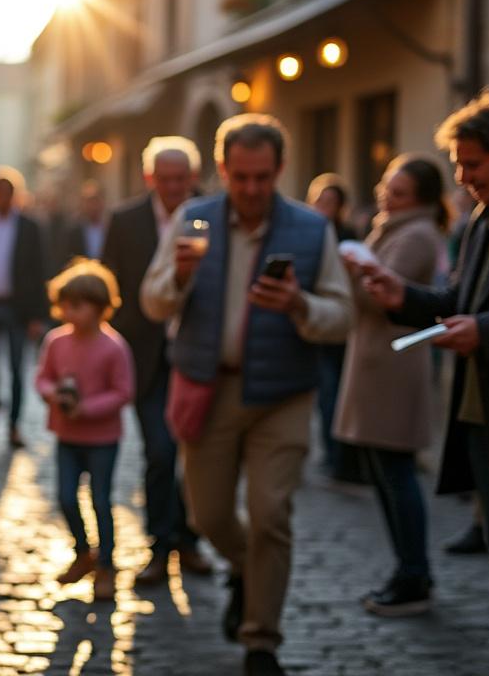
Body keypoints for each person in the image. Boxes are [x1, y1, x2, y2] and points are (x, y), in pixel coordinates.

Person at [141, 114, 352, 676]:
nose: (253, 189)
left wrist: (301, 306)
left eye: (263, 177)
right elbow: (152, 303)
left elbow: (342, 317)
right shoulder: (195, 219)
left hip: (283, 394)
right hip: (209, 389)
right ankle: (245, 570)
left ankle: (262, 641)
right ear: (223, 171)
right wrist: (179, 279)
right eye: (241, 177)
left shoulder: (311, 230)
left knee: (270, 515)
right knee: (206, 515)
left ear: (279, 169)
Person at [357, 90, 489, 673]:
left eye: (473, 164)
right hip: (482, 419)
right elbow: (462, 303)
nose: (463, 178)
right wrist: (405, 299)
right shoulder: (482, 220)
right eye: (459, 166)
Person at [334, 154, 450, 616]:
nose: (387, 196)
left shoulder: (416, 233)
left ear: (417, 200)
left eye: (398, 192)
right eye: (387, 186)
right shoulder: (394, 226)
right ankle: (408, 569)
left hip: (393, 366)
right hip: (379, 361)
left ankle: (414, 572)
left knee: (396, 474)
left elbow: (383, 297)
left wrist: (351, 265)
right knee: (385, 474)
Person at [104, 136, 212, 586]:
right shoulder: (125, 220)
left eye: (180, 179)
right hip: (145, 354)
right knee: (159, 451)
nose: (173, 187)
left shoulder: (211, 215)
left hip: (198, 351)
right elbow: (111, 286)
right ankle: (160, 543)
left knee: (195, 452)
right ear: (150, 178)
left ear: (192, 178)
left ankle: (188, 539)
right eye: (165, 179)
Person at [35, 259, 134, 601]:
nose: (69, 312)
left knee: (101, 500)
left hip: (102, 439)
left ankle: (106, 564)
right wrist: (54, 395)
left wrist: (86, 408)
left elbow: (123, 392)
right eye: (65, 304)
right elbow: (43, 377)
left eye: (77, 306)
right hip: (67, 436)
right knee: (64, 496)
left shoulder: (113, 347)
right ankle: (83, 552)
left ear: (100, 308)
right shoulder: (56, 341)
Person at [0, 166, 49, 448]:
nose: (3, 197)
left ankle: (14, 424)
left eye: (8, 192)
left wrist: (39, 315)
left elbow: (40, 271)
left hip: (18, 308)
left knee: (17, 367)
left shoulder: (29, 226)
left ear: (16, 194)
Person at [305, 173, 364, 483]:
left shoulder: (348, 234)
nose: (324, 206)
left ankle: (341, 458)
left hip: (341, 330)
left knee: (336, 394)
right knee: (324, 395)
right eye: (320, 200)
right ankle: (331, 454)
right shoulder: (307, 233)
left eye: (331, 202)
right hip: (316, 327)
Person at [64, 180, 109, 266]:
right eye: (88, 201)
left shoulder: (110, 227)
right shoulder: (72, 230)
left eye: (95, 200)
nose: (92, 205)